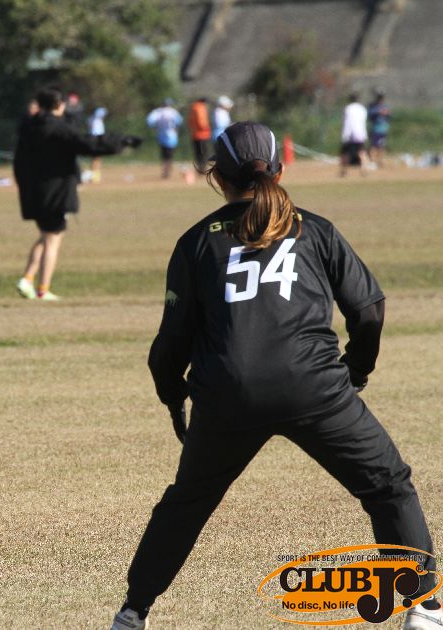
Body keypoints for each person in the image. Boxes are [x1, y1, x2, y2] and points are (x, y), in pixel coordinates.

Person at [111, 122, 439, 630]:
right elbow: (369, 312)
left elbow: (171, 343)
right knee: (387, 486)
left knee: (187, 503)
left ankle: (133, 613)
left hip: (227, 395)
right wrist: (354, 372)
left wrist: (174, 397)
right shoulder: (316, 229)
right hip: (315, 388)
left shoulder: (196, 241)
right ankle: (422, 607)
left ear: (217, 177)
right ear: (280, 170)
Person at [14, 86, 142, 301]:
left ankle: (27, 279)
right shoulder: (59, 128)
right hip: (55, 191)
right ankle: (43, 290)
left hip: (33, 191)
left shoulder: (28, 128)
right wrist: (121, 141)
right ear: (59, 105)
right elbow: (89, 143)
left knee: (47, 234)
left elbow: (20, 162)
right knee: (53, 239)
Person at [146, 98, 183, 180]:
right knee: (170, 154)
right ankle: (168, 171)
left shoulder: (158, 112)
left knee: (163, 154)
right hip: (172, 135)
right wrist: (176, 128)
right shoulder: (173, 112)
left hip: (161, 134)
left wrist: (155, 127)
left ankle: (164, 171)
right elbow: (179, 121)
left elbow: (149, 121)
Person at [341, 92, 369, 176]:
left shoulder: (348, 108)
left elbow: (347, 122)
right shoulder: (362, 108)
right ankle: (363, 170)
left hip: (350, 134)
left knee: (346, 153)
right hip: (360, 133)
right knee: (361, 152)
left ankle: (344, 171)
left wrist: (345, 134)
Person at [187, 96, 212, 171]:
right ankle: (202, 168)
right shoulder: (200, 108)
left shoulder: (193, 108)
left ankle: (199, 167)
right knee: (203, 152)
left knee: (197, 152)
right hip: (202, 134)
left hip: (195, 134)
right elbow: (201, 121)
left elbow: (189, 122)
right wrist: (207, 128)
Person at [367, 91, 391, 168]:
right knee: (373, 146)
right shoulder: (373, 106)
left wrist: (387, 113)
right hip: (375, 129)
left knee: (381, 146)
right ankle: (372, 161)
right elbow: (370, 115)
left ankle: (380, 162)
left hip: (383, 129)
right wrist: (378, 112)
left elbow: (389, 116)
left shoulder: (385, 106)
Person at [87, 107, 108, 183]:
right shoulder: (97, 122)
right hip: (96, 141)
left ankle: (95, 176)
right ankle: (95, 177)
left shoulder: (93, 120)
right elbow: (96, 133)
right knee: (96, 159)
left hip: (95, 141)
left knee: (96, 159)